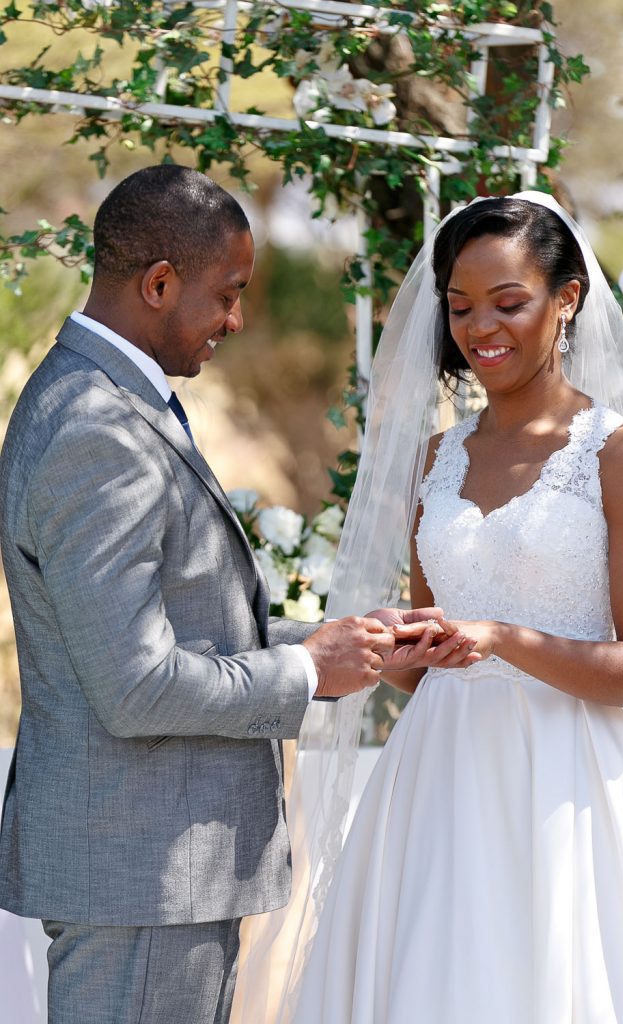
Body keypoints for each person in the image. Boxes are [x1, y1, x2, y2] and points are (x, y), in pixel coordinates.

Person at [0, 164, 446, 1024]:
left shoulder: (109, 399)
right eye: (229, 294)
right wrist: (306, 673)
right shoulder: (97, 428)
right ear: (159, 284)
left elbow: (176, 628)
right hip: (142, 874)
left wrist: (340, 643)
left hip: (154, 873)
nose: (237, 320)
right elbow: (137, 685)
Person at [269, 191, 623, 1023]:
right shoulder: (435, 460)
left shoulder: (622, 459)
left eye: (507, 302)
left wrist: (500, 636)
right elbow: (433, 663)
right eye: (459, 307)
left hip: (570, 789)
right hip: (436, 783)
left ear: (566, 299)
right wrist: (401, 648)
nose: (478, 328)